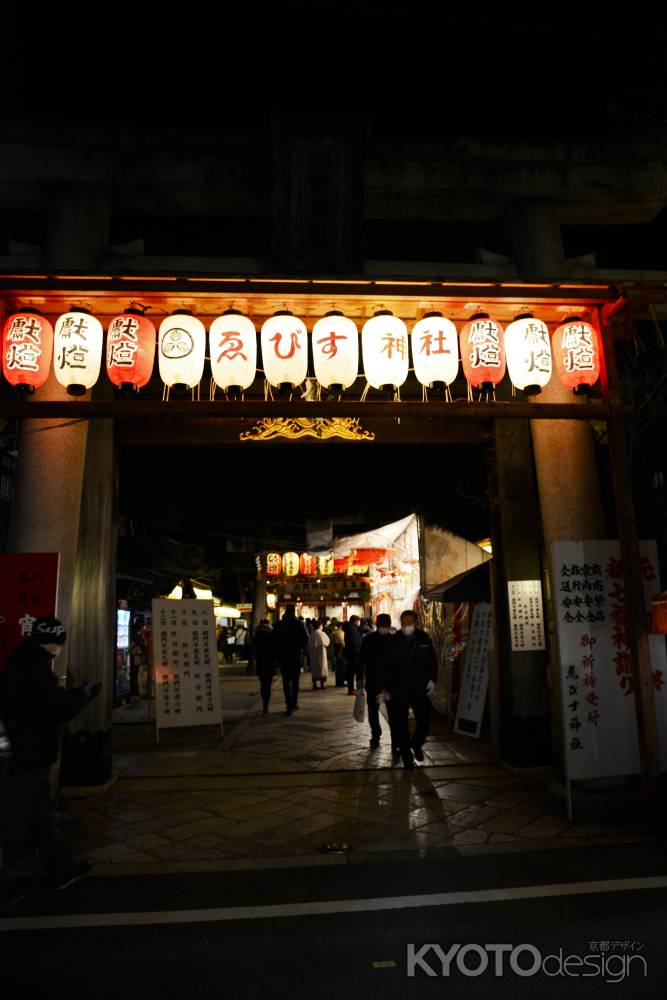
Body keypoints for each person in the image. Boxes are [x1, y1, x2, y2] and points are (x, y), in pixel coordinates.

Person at [0, 616, 101, 890]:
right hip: (31, 750)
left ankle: (56, 863)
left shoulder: (18, 660)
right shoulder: (35, 668)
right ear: (54, 642)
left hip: (22, 748)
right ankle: (58, 867)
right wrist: (82, 694)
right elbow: (54, 708)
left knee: (35, 808)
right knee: (35, 809)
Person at [383, 610, 438, 767]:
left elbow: (432, 661)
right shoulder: (394, 641)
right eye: (404, 623)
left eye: (409, 623)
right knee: (401, 724)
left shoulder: (424, 638)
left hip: (420, 687)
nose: (406, 626)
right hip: (399, 687)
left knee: (425, 722)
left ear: (416, 623)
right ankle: (406, 756)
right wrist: (385, 688)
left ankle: (416, 743)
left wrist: (433, 679)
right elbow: (386, 666)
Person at [358, 613, 395, 749]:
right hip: (381, 683)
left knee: (383, 711)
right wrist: (360, 677)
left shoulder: (371, 639)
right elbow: (361, 659)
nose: (384, 627)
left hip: (385, 683)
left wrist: (360, 677)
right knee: (378, 711)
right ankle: (378, 735)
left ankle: (380, 736)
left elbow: (361, 659)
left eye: (385, 625)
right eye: (382, 625)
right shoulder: (371, 639)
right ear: (377, 624)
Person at [273, 605, 308, 716]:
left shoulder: (279, 624)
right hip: (296, 656)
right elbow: (305, 639)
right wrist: (299, 649)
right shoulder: (298, 624)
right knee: (295, 681)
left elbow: (274, 640)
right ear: (294, 612)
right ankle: (294, 703)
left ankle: (289, 705)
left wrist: (278, 654)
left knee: (286, 682)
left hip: (284, 657)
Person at [251, 619, 276, 714]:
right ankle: (266, 706)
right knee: (268, 685)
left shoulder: (257, 634)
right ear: (268, 624)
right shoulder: (272, 633)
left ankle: (264, 704)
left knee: (263, 684)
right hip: (270, 662)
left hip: (260, 662)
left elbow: (252, 647)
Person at [342, 615, 363, 695]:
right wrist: (357, 653)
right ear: (355, 621)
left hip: (350, 654)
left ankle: (352, 689)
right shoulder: (352, 630)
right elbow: (354, 643)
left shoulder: (349, 628)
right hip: (353, 655)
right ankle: (352, 689)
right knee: (353, 673)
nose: (359, 623)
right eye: (358, 621)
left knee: (351, 672)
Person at [308, 621, 330, 690]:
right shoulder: (322, 633)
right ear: (320, 626)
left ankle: (314, 685)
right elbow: (327, 642)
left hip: (313, 654)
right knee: (322, 668)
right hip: (321, 653)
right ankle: (322, 685)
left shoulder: (311, 634)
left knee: (315, 668)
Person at [329, 618, 346, 687]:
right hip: (340, 650)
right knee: (341, 667)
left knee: (338, 667)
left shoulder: (334, 632)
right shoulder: (340, 632)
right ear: (341, 626)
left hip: (335, 649)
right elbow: (342, 643)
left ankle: (338, 682)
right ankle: (340, 682)